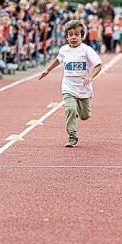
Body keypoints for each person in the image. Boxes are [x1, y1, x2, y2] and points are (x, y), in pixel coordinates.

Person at [37, 20, 103, 148]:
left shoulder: (86, 50)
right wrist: (47, 70)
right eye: (70, 34)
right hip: (68, 87)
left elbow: (98, 65)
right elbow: (58, 60)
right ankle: (72, 136)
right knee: (70, 109)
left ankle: (77, 110)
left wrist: (90, 77)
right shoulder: (64, 50)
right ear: (67, 36)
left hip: (84, 88)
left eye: (76, 34)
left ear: (81, 36)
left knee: (85, 116)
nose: (73, 37)